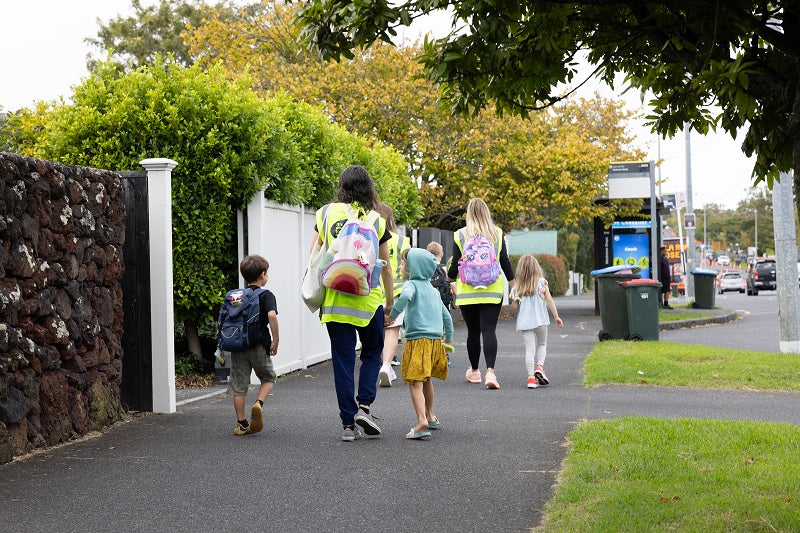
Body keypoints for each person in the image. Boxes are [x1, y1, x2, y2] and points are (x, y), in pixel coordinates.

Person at [309, 165, 394, 441]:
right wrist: (390, 302)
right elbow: (387, 267)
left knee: (343, 361)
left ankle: (348, 425)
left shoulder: (324, 213)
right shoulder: (376, 219)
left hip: (335, 300)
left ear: (342, 186)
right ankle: (364, 407)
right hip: (368, 300)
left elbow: (315, 257)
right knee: (372, 353)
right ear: (369, 188)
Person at [447, 197, 515, 389]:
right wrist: (514, 284)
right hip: (492, 290)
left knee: (473, 332)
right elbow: (504, 262)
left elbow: (455, 266)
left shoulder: (460, 234)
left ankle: (475, 372)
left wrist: (448, 279)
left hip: (468, 291)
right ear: (486, 212)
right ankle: (491, 372)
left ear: (468, 214)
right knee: (489, 330)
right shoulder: (497, 233)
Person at [389, 248, 453, 439]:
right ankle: (430, 415)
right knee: (426, 379)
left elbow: (405, 298)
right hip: (435, 342)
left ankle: (420, 422)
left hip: (418, 341)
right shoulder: (433, 291)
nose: (401, 266)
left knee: (415, 382)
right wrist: (447, 340)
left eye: (403, 263)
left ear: (413, 268)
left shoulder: (411, 285)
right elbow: (447, 318)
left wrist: (391, 317)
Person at [225, 255, 279, 436]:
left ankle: (242, 424)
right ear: (263, 274)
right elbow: (271, 316)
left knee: (239, 386)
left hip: (238, 346)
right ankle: (258, 404)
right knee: (268, 378)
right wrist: (275, 340)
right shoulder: (266, 295)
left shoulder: (237, 296)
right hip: (258, 345)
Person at [509, 255, 563, 389]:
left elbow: (515, 307)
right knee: (542, 344)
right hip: (541, 321)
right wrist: (556, 317)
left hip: (526, 323)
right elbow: (549, 300)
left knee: (529, 349)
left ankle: (531, 379)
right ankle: (539, 367)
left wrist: (514, 299)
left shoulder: (517, 286)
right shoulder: (542, 282)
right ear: (536, 267)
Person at [376, 203, 410, 387]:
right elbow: (409, 267)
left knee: (377, 331)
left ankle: (379, 363)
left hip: (373, 291)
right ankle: (387, 365)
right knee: (392, 330)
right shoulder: (402, 241)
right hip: (396, 291)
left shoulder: (370, 234)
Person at [427, 241, 454, 310]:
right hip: (443, 303)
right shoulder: (444, 269)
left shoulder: (424, 269)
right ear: (441, 254)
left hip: (428, 302)